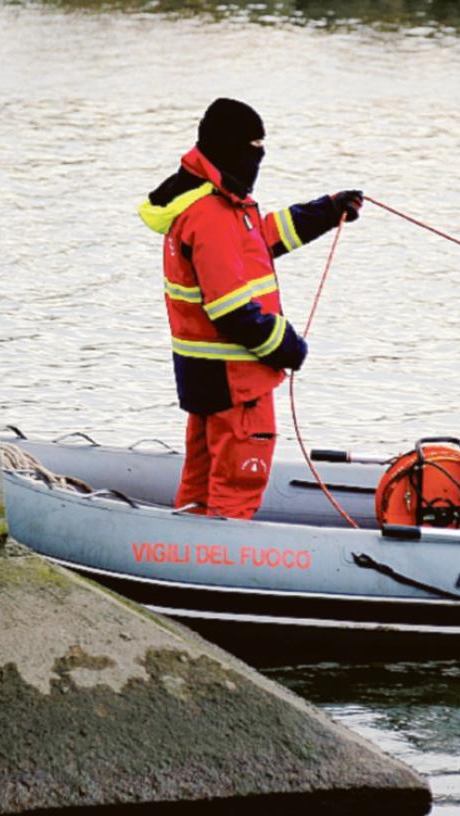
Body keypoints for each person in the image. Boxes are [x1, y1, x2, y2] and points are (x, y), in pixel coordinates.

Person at [138, 98, 363, 519]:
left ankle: (185, 552)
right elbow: (232, 311)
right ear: (231, 147)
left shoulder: (207, 198)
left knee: (201, 485)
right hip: (236, 383)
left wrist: (326, 211)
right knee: (236, 487)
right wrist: (288, 348)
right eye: (255, 146)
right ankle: (212, 567)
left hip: (207, 379)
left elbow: (255, 242)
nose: (259, 158)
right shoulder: (211, 214)